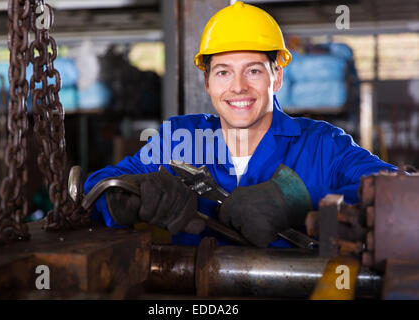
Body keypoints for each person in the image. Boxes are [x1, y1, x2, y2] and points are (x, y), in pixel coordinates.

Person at [84, 2, 396, 248]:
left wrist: (298, 200)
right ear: (206, 82)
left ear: (277, 77)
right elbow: (100, 186)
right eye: (223, 72)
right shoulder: (180, 139)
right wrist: (127, 200)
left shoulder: (322, 145)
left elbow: (397, 191)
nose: (238, 87)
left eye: (254, 71)